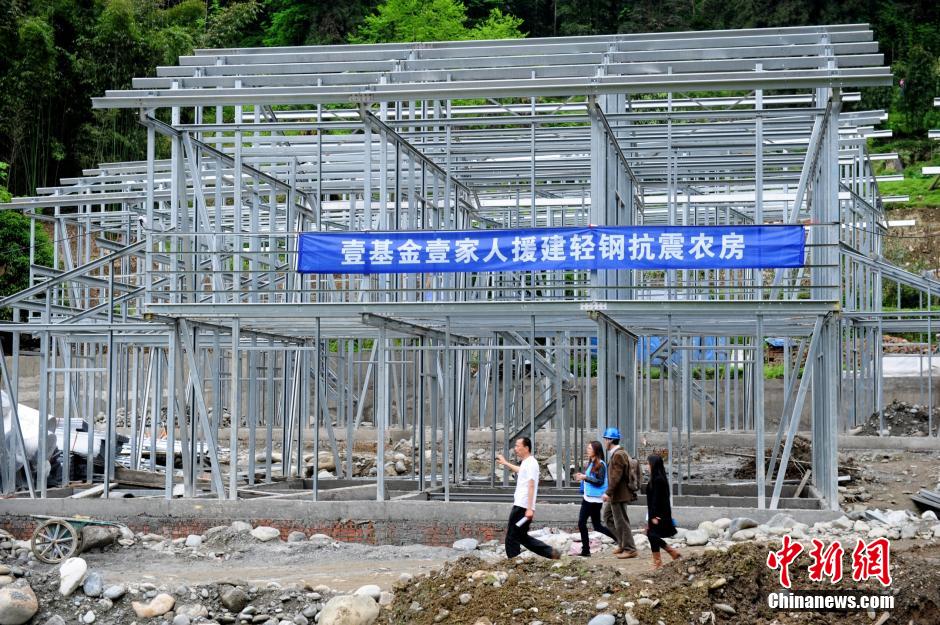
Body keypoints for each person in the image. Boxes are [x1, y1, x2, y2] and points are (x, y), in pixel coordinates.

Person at [496, 437, 561, 560]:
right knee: (521, 536)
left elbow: (531, 484)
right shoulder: (527, 462)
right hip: (522, 505)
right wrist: (505, 463)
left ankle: (513, 561)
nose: (515, 449)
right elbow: (520, 471)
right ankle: (551, 552)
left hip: (523, 506)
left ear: (526, 448)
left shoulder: (531, 463)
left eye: (518, 446)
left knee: (512, 536)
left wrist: (530, 508)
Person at [573, 440, 617, 557]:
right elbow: (591, 478)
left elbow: (600, 481)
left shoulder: (601, 464)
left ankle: (586, 550)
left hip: (593, 500)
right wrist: (582, 477)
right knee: (597, 525)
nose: (587, 450)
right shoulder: (592, 462)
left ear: (596, 451)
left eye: (589, 449)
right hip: (589, 498)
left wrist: (585, 477)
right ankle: (618, 539)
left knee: (582, 523)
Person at [600, 427, 638, 559]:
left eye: (605, 439)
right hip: (616, 494)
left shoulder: (618, 455)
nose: (604, 442)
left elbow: (616, 477)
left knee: (621, 521)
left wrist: (608, 493)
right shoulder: (618, 453)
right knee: (607, 517)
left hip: (619, 495)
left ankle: (630, 549)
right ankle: (622, 543)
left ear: (610, 440)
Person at [644, 453, 681, 569]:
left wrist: (655, 516)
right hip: (654, 513)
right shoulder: (656, 479)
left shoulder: (658, 480)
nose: (647, 466)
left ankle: (660, 560)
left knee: (652, 535)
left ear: (653, 465)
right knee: (651, 534)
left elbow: (657, 499)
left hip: (658, 514)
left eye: (648, 464)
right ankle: (669, 555)